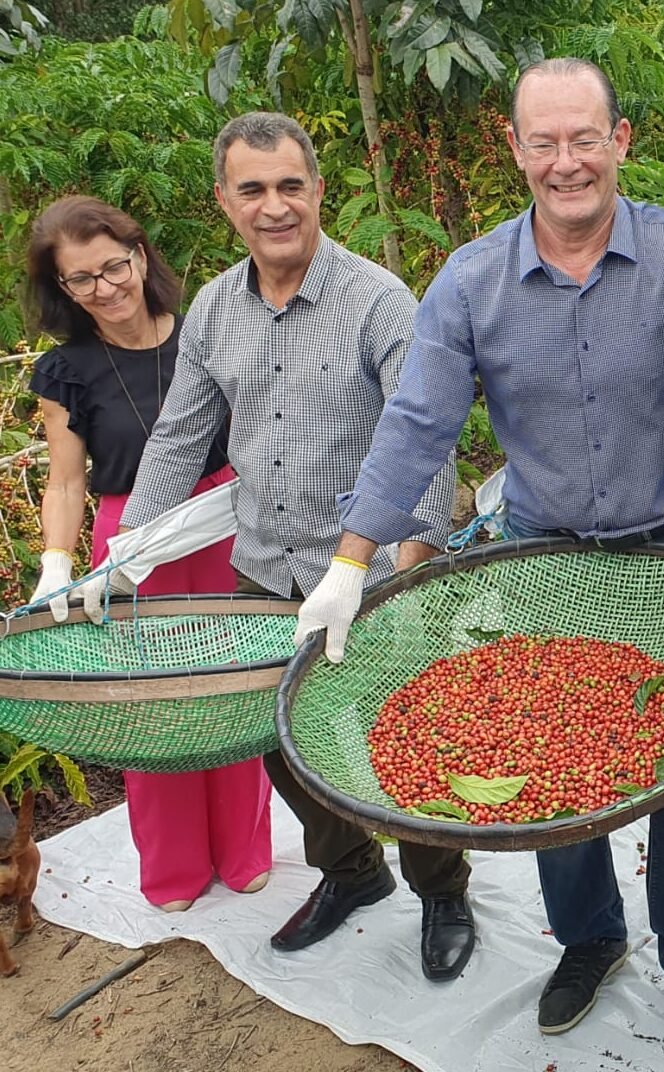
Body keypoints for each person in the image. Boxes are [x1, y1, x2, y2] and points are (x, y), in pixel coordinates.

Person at [292, 57, 664, 1052]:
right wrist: (350, 561)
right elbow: (416, 427)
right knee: (546, 754)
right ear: (515, 150)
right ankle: (588, 937)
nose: (565, 162)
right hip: (540, 549)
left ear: (620, 142)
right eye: (544, 142)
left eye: (583, 139)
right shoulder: (474, 281)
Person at [78, 113, 475, 981]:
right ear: (225, 202)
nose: (274, 206)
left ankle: (441, 886)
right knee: (284, 739)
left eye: (290, 185)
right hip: (263, 568)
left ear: (318, 191)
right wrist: (125, 552)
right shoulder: (215, 308)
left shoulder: (379, 301)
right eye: (252, 189)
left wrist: (411, 568)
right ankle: (351, 872)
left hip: (371, 572)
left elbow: (428, 435)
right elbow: (181, 437)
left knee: (404, 738)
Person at [24, 195, 270, 913]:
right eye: (83, 279)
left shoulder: (207, 334)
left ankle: (247, 848)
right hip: (132, 544)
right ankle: (174, 869)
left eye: (114, 266)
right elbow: (68, 481)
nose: (106, 288)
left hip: (222, 520)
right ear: (62, 290)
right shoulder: (67, 371)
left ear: (140, 255)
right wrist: (57, 564)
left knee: (234, 685)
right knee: (152, 707)